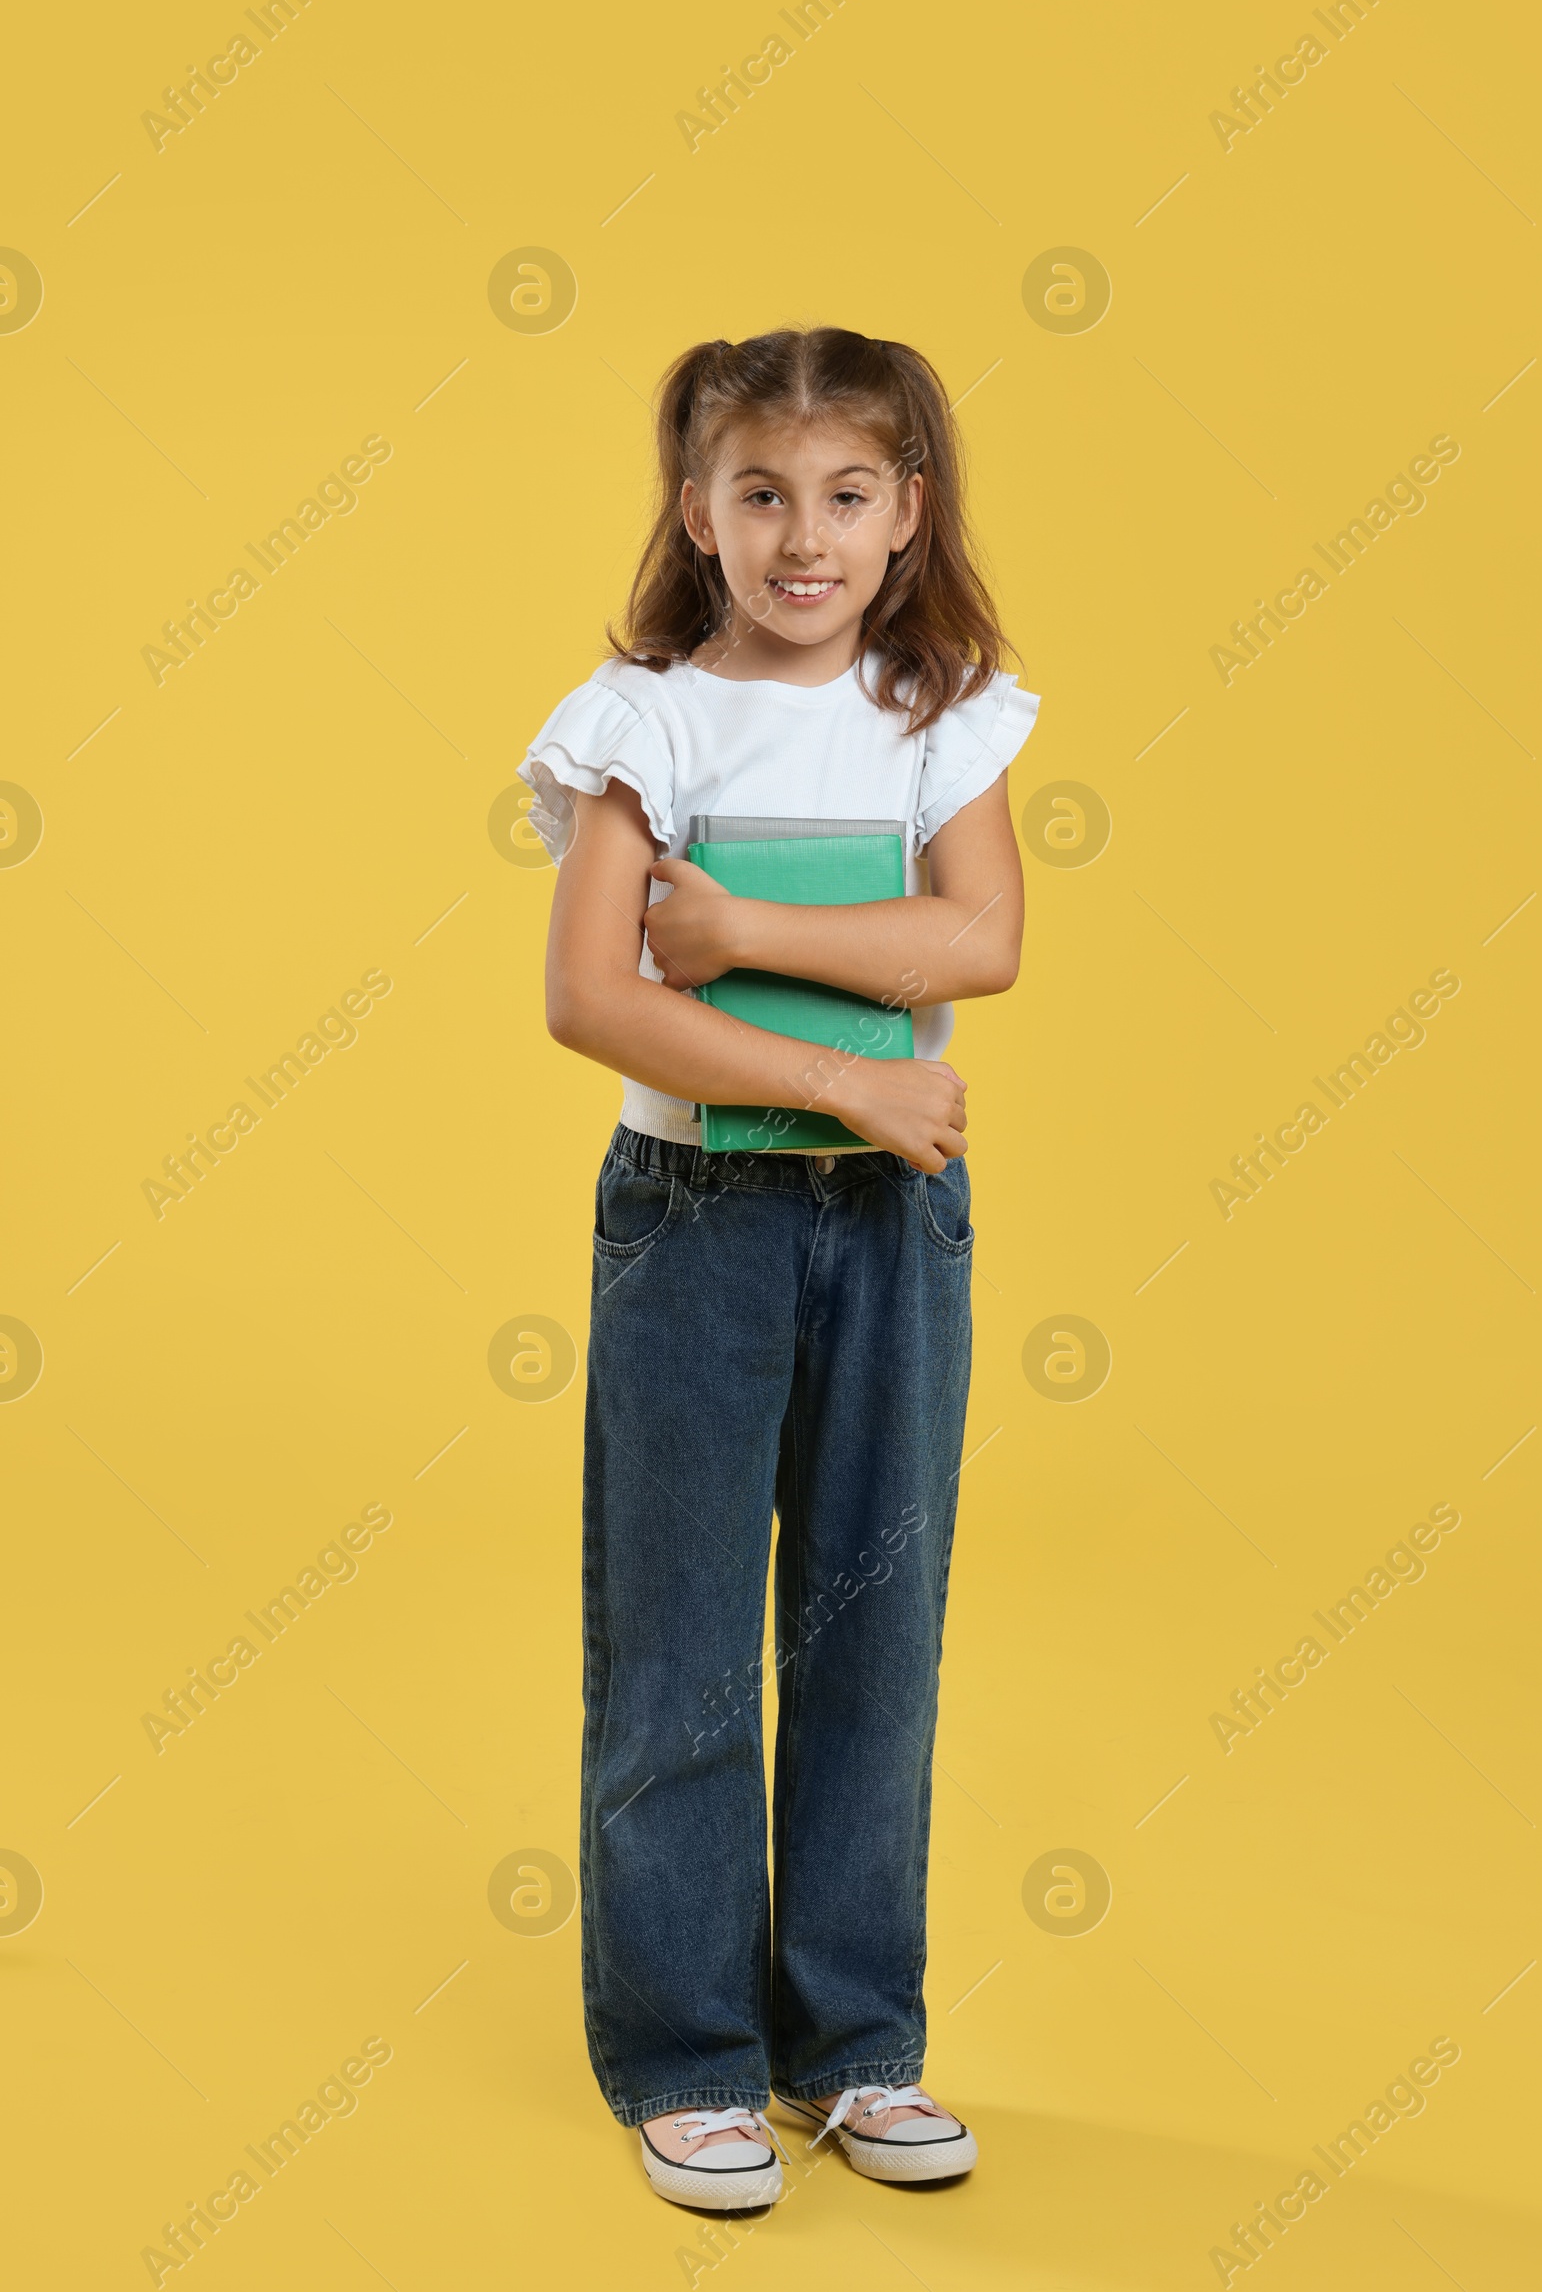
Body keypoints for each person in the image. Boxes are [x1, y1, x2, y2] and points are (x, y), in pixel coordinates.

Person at [517, 325, 1037, 2211]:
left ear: (907, 515)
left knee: (873, 1635)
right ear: (696, 512)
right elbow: (594, 998)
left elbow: (981, 943)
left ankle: (854, 2045)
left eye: (844, 495)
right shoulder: (640, 719)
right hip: (696, 1232)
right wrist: (833, 1065)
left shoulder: (937, 706)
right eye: (759, 495)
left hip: (896, 1230)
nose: (801, 537)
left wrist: (738, 939)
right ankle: (686, 2057)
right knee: (675, 1649)